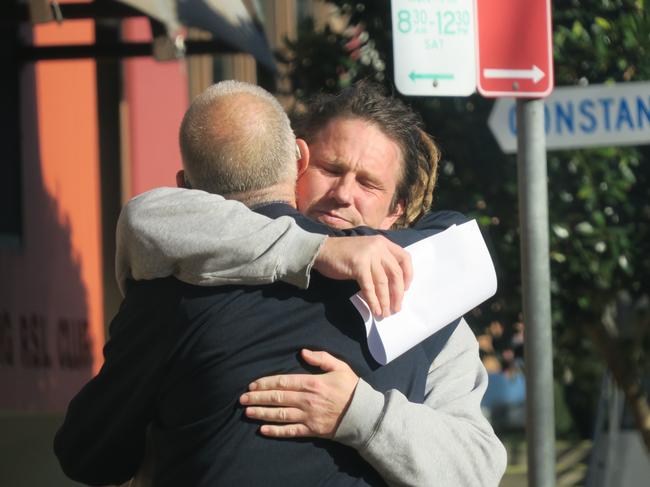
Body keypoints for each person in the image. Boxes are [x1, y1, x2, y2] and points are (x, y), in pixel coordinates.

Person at [55, 81, 506, 486]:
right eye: (331, 169)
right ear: (298, 162)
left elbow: (477, 470)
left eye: (368, 183)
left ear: (396, 212)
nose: (343, 193)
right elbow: (147, 217)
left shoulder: (429, 299)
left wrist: (360, 412)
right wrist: (316, 249)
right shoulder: (193, 262)